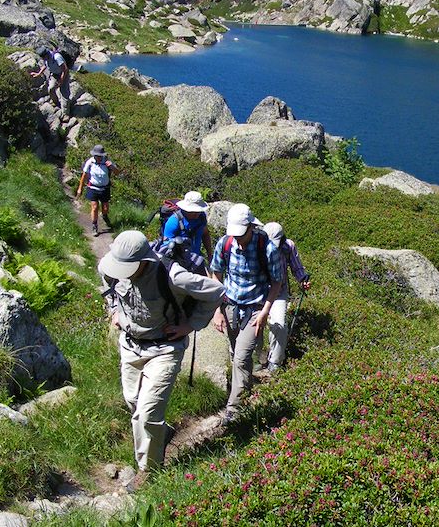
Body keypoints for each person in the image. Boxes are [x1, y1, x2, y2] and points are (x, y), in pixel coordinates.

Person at [99, 230, 224, 490]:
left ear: (144, 261)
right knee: (134, 403)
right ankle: (161, 434)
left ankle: (149, 469)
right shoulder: (114, 266)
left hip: (165, 349)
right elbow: (107, 283)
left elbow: (215, 291)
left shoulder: (172, 275)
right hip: (130, 345)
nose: (120, 271)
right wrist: (113, 309)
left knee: (148, 412)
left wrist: (190, 325)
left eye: (127, 267)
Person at [210, 204, 283, 423]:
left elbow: (277, 283)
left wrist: (265, 312)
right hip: (230, 306)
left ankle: (233, 410)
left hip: (255, 310)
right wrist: (217, 310)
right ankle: (245, 386)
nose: (238, 240)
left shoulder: (267, 248)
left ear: (251, 226)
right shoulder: (225, 243)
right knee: (235, 353)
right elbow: (216, 274)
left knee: (241, 357)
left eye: (241, 235)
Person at [260, 222, 310, 373]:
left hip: (279, 291)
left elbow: (296, 266)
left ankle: (274, 362)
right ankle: (255, 358)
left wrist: (303, 279)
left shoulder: (288, 246)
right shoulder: (257, 246)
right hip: (259, 291)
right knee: (256, 325)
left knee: (280, 324)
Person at [77, 145, 117, 237]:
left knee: (105, 208)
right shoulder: (90, 162)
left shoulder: (107, 162)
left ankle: (104, 216)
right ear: (94, 155)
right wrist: (80, 188)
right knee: (94, 207)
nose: (98, 158)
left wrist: (112, 167)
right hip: (93, 188)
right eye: (97, 156)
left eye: (100, 156)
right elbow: (84, 175)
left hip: (105, 188)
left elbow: (117, 172)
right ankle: (94, 225)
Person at [162, 191, 214, 260]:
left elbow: (205, 234)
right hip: (179, 262)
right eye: (193, 211)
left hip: (196, 259)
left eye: (198, 211)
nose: (196, 214)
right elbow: (165, 246)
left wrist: (210, 255)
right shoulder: (174, 221)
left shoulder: (201, 217)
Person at [31, 46, 70, 117]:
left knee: (64, 93)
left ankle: (66, 114)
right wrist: (38, 73)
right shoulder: (46, 57)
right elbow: (45, 65)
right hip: (55, 74)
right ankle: (56, 102)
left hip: (63, 74)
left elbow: (65, 70)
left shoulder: (57, 57)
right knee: (51, 89)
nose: (42, 59)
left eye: (43, 57)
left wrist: (61, 80)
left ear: (46, 54)